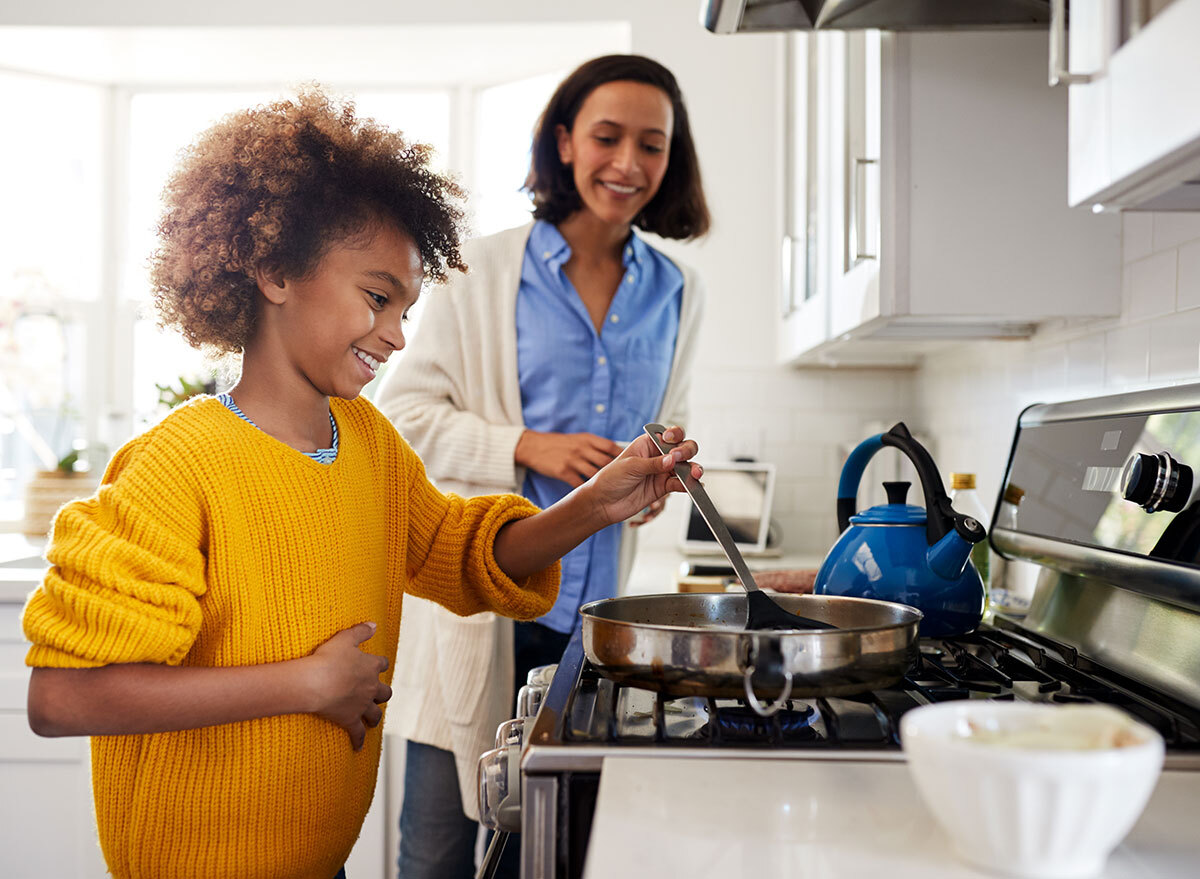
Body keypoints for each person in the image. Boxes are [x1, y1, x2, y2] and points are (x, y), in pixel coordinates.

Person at [18, 88, 701, 879]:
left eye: (405, 308)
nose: (397, 335)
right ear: (275, 270)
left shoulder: (368, 442)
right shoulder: (177, 465)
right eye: (377, 298)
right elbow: (63, 696)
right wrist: (306, 683)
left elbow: (463, 554)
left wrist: (596, 502)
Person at [375, 54, 710, 878]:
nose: (628, 163)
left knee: (556, 854)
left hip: (593, 631)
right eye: (607, 137)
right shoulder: (479, 271)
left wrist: (654, 477)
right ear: (564, 142)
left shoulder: (679, 291)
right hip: (475, 614)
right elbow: (400, 416)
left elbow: (667, 421)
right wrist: (526, 445)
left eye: (652, 145)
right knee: (437, 855)